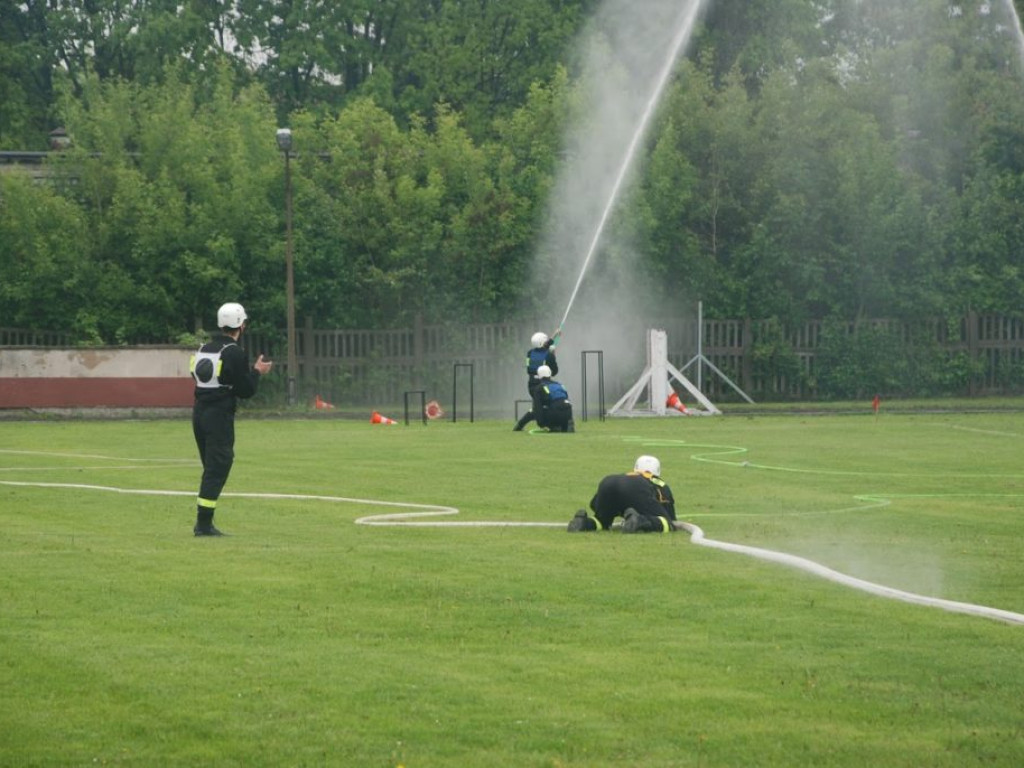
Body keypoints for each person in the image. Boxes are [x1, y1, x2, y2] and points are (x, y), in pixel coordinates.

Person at [190, 302, 273, 536]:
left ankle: (204, 522)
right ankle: (203, 525)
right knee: (218, 466)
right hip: (218, 416)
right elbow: (245, 390)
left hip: (199, 413)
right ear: (241, 325)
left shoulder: (204, 348)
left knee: (211, 466)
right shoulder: (234, 352)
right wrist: (257, 372)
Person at [567, 455, 676, 533]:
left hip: (608, 481)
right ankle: (639, 521)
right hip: (636, 487)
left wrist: (612, 509)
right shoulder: (657, 482)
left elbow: (594, 504)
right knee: (667, 523)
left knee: (602, 521)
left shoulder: (627, 476)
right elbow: (671, 516)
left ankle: (583, 523)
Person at [513, 331, 558, 431]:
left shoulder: (530, 353)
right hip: (544, 386)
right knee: (547, 406)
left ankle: (519, 425)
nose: (546, 342)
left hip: (532, 385)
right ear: (542, 343)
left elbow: (543, 348)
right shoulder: (549, 355)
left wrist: (555, 335)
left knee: (539, 407)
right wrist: (553, 355)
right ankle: (550, 425)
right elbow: (554, 372)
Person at [531, 364, 575, 432]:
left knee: (544, 409)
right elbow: (565, 398)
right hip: (568, 412)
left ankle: (554, 426)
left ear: (539, 376)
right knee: (561, 407)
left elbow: (537, 407)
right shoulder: (559, 385)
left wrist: (541, 424)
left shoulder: (539, 388)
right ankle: (566, 425)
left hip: (555, 413)